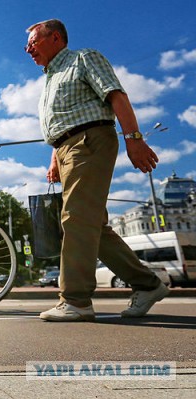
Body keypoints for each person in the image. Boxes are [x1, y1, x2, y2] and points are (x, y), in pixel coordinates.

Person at [25, 19, 169, 322]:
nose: (28, 49)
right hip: (67, 148)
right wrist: (55, 158)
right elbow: (62, 120)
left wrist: (134, 139)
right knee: (91, 227)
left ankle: (75, 301)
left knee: (75, 218)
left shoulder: (82, 58)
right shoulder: (50, 79)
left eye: (34, 41)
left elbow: (116, 95)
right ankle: (149, 284)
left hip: (89, 141)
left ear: (55, 38)